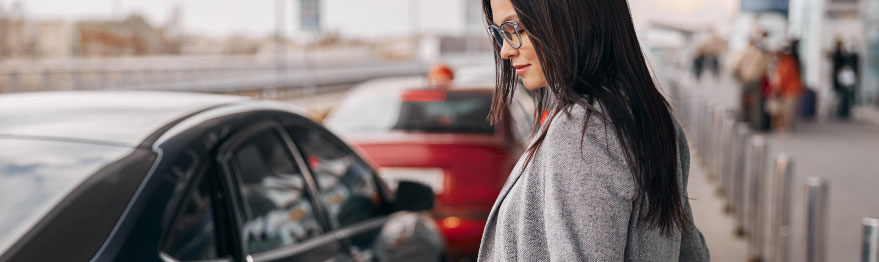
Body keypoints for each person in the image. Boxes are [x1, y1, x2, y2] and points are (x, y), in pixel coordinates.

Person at [477, 0, 710, 261]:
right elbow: (691, 253)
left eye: (516, 28)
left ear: (574, 15)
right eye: (501, 33)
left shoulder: (582, 133)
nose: (505, 51)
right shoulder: (647, 114)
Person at [732, 33, 770, 131]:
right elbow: (764, 68)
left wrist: (740, 76)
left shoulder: (743, 52)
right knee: (756, 104)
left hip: (745, 80)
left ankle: (743, 124)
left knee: (743, 102)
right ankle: (757, 125)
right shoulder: (758, 53)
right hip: (755, 80)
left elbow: (735, 66)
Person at [770, 40, 805, 132]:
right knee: (789, 110)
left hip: (791, 89)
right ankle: (788, 127)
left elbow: (784, 78)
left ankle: (788, 128)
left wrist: (777, 89)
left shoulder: (786, 62)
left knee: (788, 111)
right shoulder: (790, 61)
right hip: (791, 89)